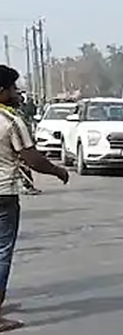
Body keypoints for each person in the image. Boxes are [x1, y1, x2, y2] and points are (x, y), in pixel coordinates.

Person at [0, 66, 69, 332]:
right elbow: (33, 159)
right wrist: (57, 171)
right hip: (3, 194)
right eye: (12, 88)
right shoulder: (10, 121)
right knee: (3, 252)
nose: (16, 93)